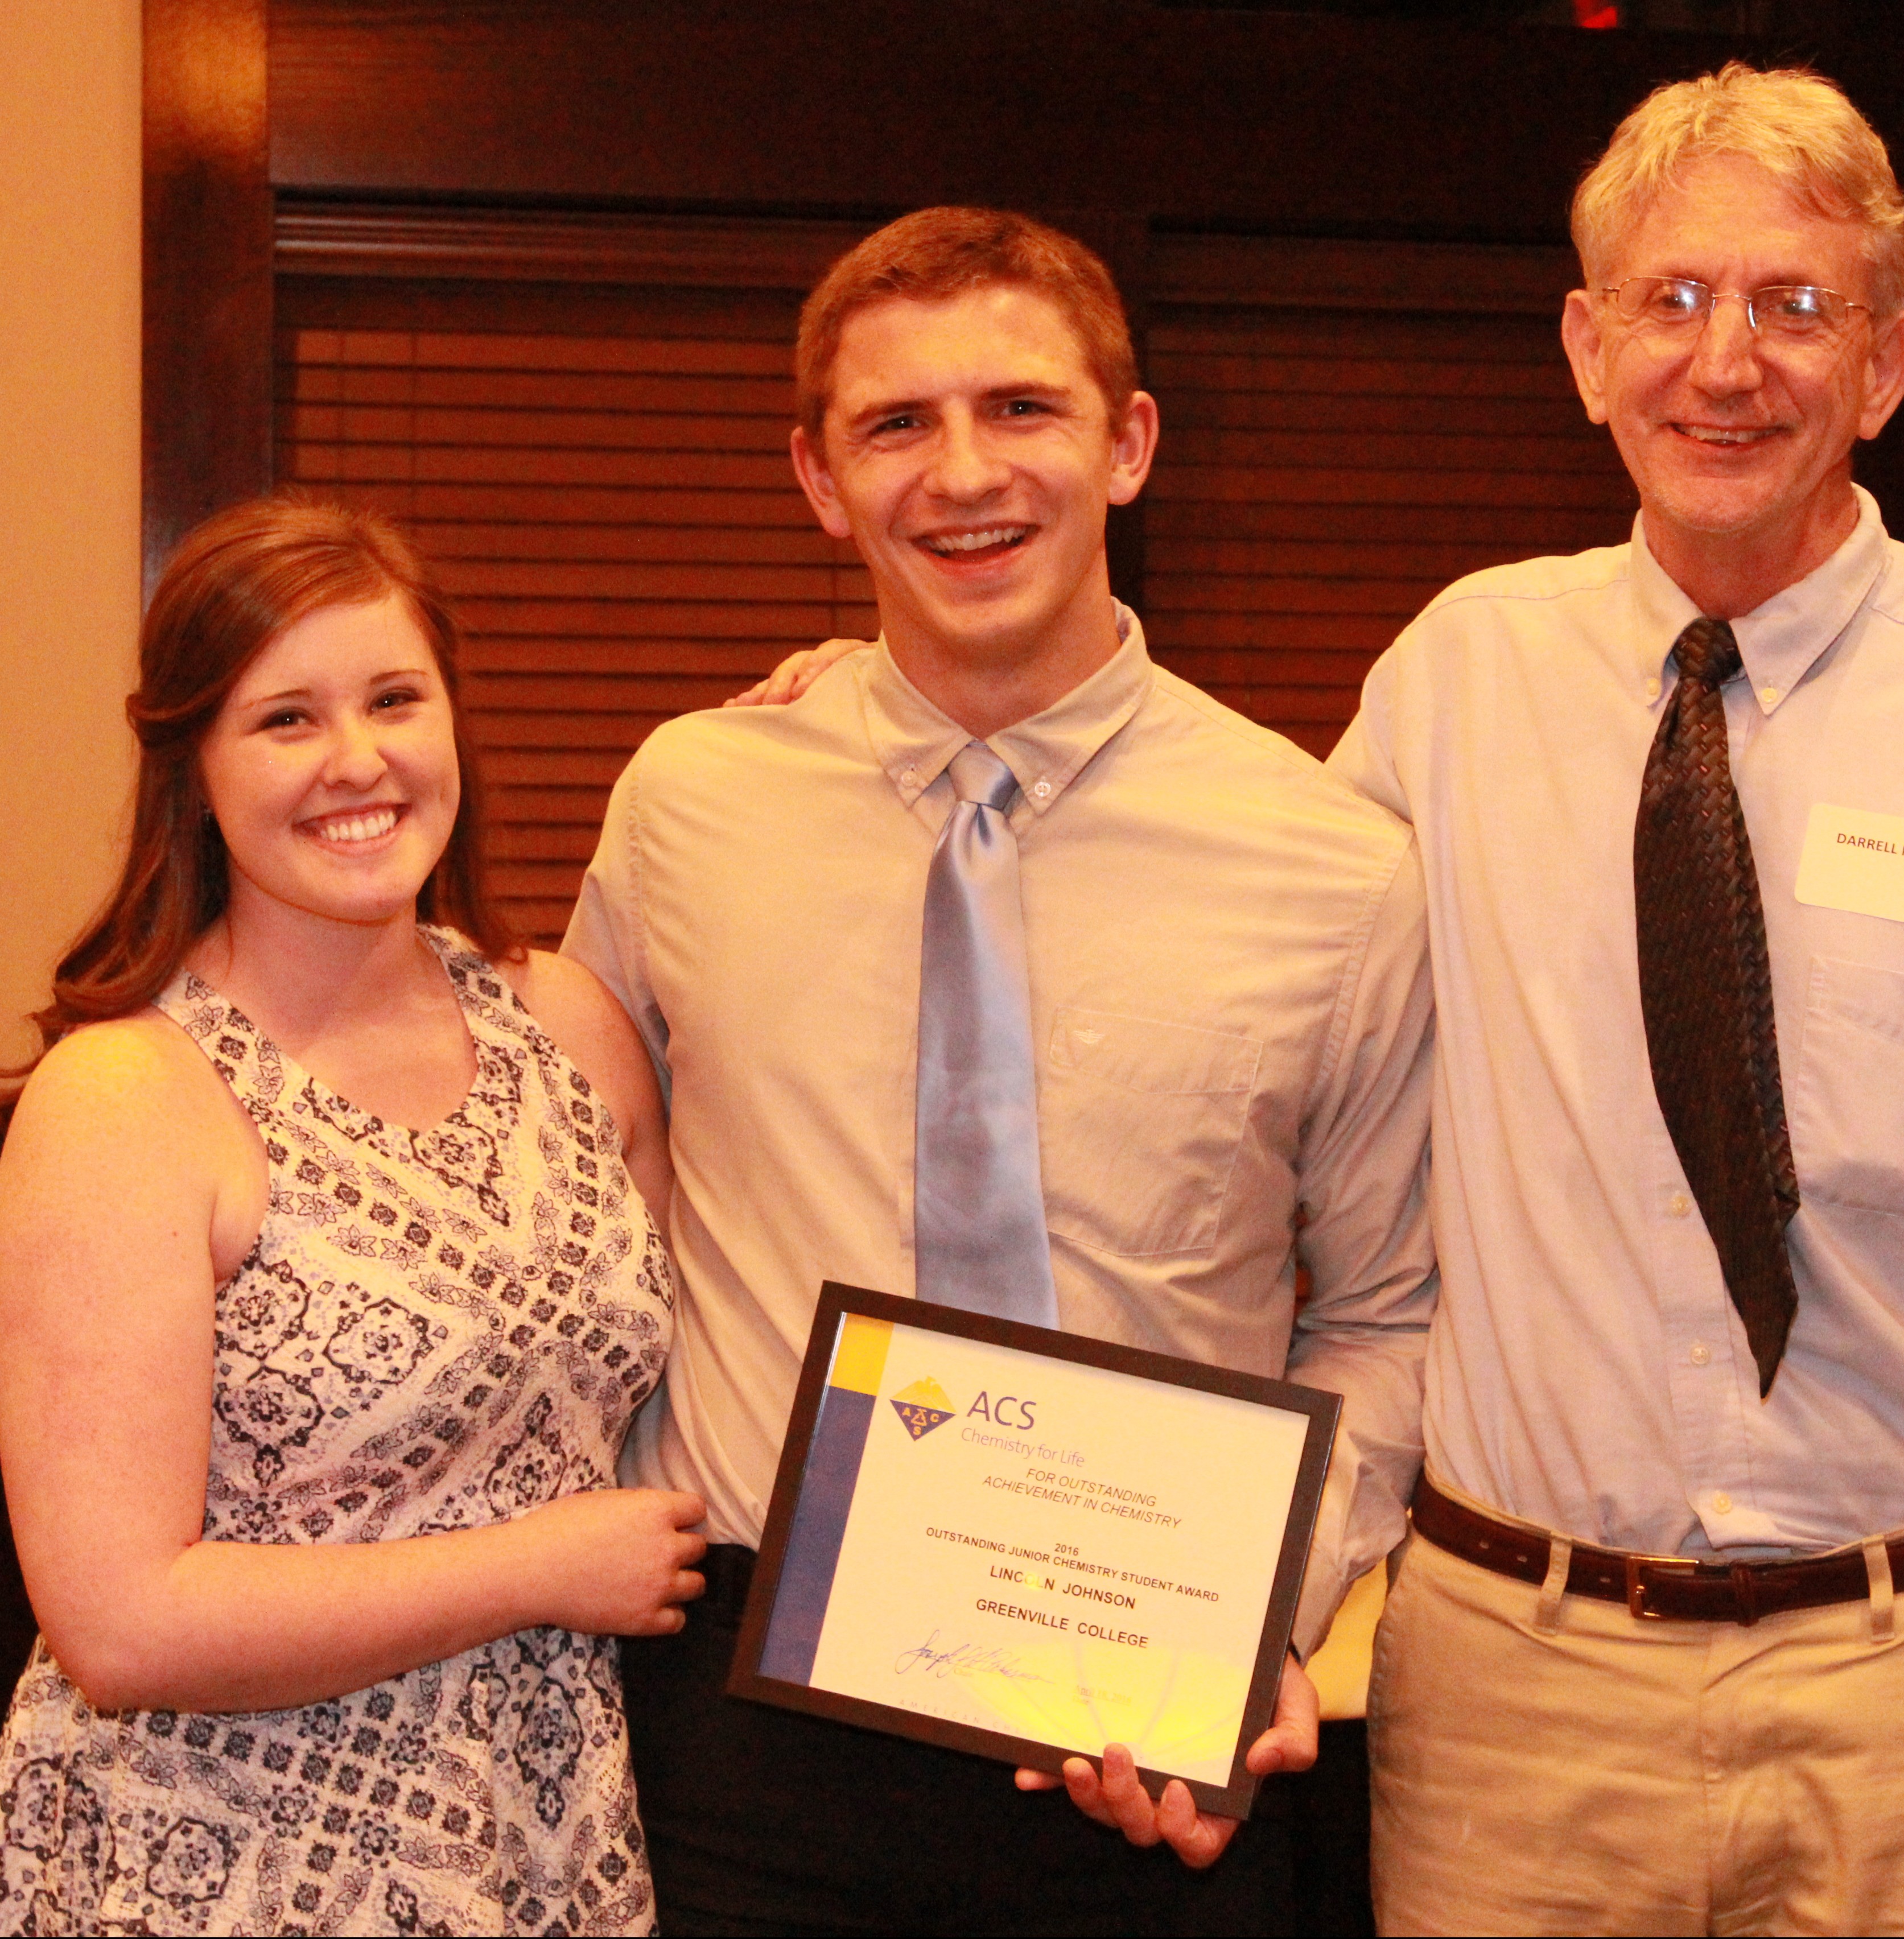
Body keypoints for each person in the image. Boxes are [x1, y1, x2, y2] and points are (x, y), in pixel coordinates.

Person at [1327, 63, 1904, 1938]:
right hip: (1515, 1697)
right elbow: (1248, 1001)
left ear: (1888, 362)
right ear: (1585, 348)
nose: (1721, 363)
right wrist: (889, 704)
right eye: (1669, 302)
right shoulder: (1455, 674)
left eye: (1791, 306)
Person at [563, 207, 1438, 1936]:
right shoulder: (689, 805)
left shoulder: (1334, 864)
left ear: (1126, 445)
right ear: (820, 480)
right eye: (897, 425)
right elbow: (580, 1196)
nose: (963, 474)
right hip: (748, 1733)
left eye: (1021, 411)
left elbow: (1392, 1312)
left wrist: (1257, 1612)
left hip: (1151, 1728)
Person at [0, 499, 702, 1937]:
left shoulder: (563, 1022)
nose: (357, 761)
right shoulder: (128, 1095)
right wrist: (538, 1567)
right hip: (219, 1855)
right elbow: (119, 1624)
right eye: (285, 719)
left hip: (536, 1828)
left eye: (394, 700)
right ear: (198, 767)